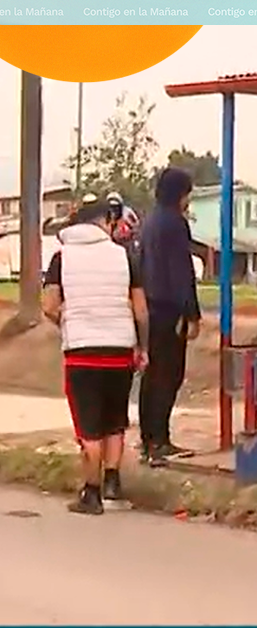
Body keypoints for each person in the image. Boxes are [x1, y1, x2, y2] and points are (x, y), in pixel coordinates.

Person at [41, 201, 148, 514]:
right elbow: (141, 310)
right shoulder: (124, 255)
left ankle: (91, 493)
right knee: (114, 421)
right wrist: (142, 347)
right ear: (104, 222)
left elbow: (49, 306)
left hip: (81, 353)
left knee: (88, 426)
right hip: (120, 350)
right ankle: (113, 484)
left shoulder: (61, 258)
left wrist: (69, 322)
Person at [138, 168, 201, 466]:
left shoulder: (149, 221)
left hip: (149, 307)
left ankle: (148, 439)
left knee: (152, 376)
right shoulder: (175, 223)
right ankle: (160, 441)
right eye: (187, 194)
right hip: (169, 309)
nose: (188, 201)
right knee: (169, 375)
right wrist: (191, 313)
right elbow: (181, 271)